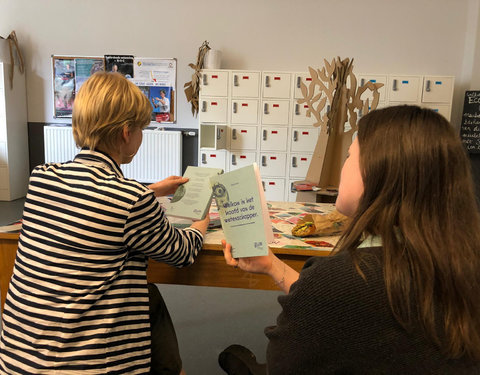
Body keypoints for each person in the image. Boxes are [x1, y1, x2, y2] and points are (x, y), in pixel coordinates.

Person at [219, 105, 480, 374]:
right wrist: (272, 266)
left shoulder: (339, 280)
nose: (342, 167)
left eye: (348, 156)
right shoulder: (459, 262)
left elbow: (282, 365)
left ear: (377, 173)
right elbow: (355, 308)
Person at [0, 72, 209, 375]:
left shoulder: (42, 178)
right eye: (141, 129)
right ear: (126, 132)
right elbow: (182, 252)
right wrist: (201, 216)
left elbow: (90, 202)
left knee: (148, 297)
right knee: (148, 298)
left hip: (20, 361)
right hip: (88, 367)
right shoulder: (131, 200)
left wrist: (153, 190)